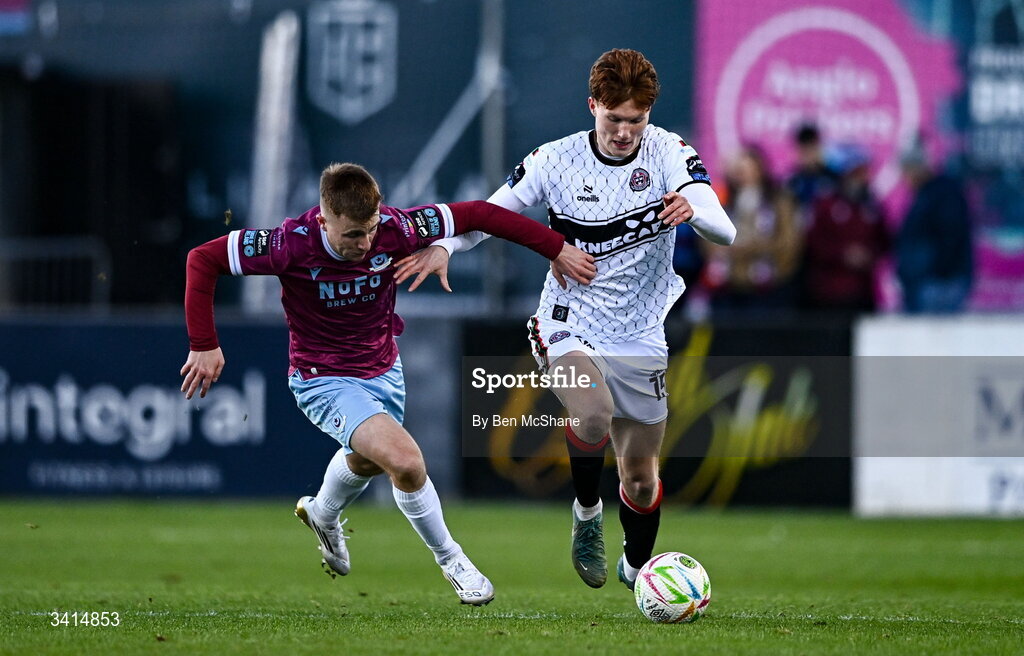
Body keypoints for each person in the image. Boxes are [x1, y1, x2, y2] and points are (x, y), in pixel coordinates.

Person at [395, 49, 735, 592]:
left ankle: (635, 569)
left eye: (636, 120)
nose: (625, 132)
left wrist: (697, 212)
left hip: (642, 332)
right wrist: (447, 247)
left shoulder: (671, 152)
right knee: (593, 412)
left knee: (643, 481)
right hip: (567, 320)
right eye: (614, 118)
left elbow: (726, 230)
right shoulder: (555, 160)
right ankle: (585, 514)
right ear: (592, 105)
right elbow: (492, 213)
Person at [180, 162, 596, 605]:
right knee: (406, 461)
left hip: (383, 371)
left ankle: (323, 512)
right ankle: (453, 561)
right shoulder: (289, 245)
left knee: (369, 460)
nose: (366, 244)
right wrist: (203, 343)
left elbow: (480, 213)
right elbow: (202, 259)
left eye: (371, 230)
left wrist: (556, 248)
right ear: (324, 221)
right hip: (322, 378)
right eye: (352, 236)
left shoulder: (398, 227)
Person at [700, 144, 801, 314]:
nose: (742, 176)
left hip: (767, 287)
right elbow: (707, 239)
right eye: (738, 170)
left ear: (760, 170)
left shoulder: (778, 201)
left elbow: (788, 242)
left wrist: (750, 249)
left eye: (747, 170)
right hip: (728, 286)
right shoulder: (723, 200)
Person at [802, 143, 889, 315]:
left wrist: (868, 255)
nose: (864, 177)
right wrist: (843, 255)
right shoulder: (825, 205)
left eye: (865, 172)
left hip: (863, 292)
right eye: (858, 173)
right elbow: (814, 243)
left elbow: (884, 240)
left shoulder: (871, 205)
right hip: (829, 293)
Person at [897, 142, 973, 313]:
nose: (904, 178)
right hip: (926, 281)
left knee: (935, 334)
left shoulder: (942, 194)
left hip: (939, 283)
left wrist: (937, 272)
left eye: (906, 171)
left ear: (916, 168)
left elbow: (950, 236)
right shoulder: (925, 195)